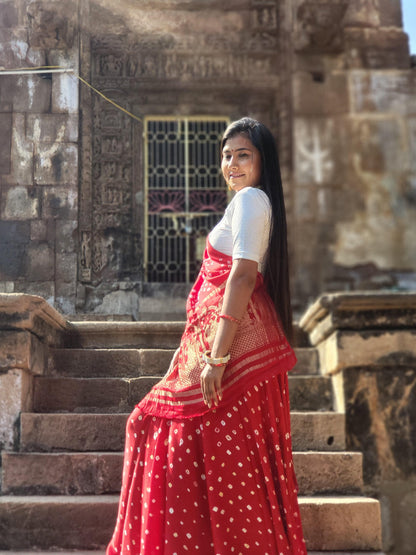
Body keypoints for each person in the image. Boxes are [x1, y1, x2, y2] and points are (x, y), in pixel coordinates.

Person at [106, 117, 307, 554]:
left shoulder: (252, 199)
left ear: (262, 161)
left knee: (162, 433)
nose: (231, 163)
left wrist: (216, 360)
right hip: (222, 346)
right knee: (199, 451)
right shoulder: (247, 201)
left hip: (230, 352)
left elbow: (241, 276)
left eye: (243, 154)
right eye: (226, 155)